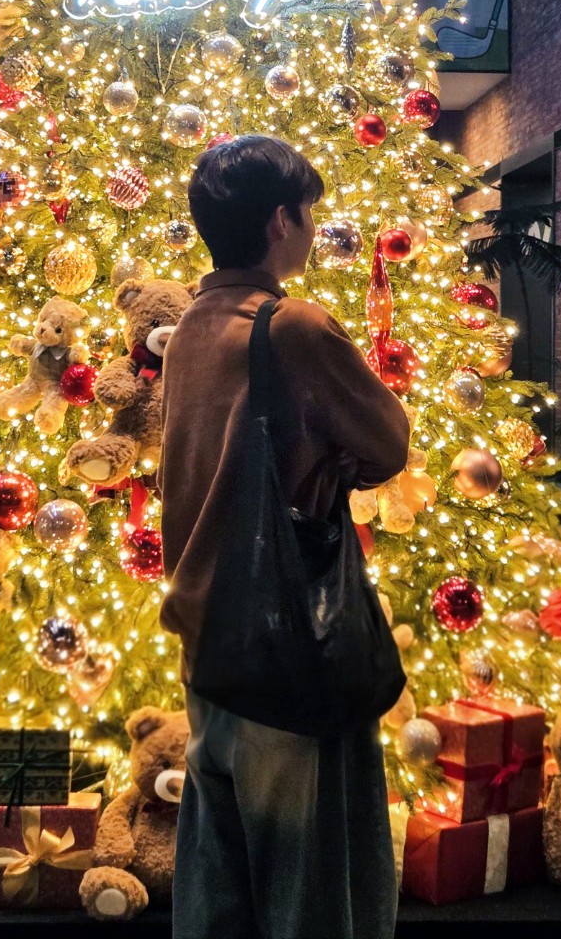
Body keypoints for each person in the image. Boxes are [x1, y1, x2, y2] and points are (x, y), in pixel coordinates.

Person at [158, 134, 411, 939]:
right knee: (308, 891)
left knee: (219, 879)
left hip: (209, 645)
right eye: (309, 212)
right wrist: (337, 462)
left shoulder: (194, 325)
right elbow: (388, 443)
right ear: (279, 221)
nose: (312, 227)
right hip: (288, 643)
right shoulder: (294, 327)